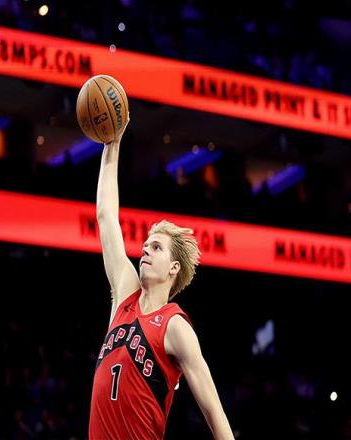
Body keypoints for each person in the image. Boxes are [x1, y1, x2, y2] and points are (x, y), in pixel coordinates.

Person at [89, 118, 235, 439]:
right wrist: (112, 144)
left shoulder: (175, 326)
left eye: (156, 247)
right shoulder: (125, 293)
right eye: (146, 244)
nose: (145, 249)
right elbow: (106, 216)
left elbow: (214, 411)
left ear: (173, 268)